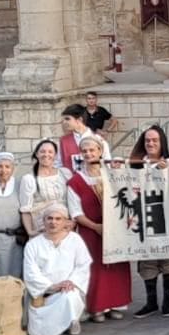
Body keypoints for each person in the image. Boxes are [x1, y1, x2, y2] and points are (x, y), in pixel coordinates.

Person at [129, 125, 169, 318]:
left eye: (155, 140)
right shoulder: (136, 163)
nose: (151, 144)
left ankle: (167, 302)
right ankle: (151, 302)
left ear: (161, 142)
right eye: (147, 140)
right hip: (145, 216)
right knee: (148, 260)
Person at [68, 136, 129, 323]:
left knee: (116, 265)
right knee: (95, 268)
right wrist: (96, 227)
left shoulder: (111, 174)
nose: (88, 154)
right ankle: (97, 307)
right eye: (84, 151)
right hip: (91, 230)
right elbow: (76, 212)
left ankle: (117, 303)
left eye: (92, 150)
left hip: (114, 229)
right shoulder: (75, 181)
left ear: (100, 151)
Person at [22, 203, 92, 335]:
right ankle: (61, 321)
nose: (53, 222)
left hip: (67, 290)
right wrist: (52, 286)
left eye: (58, 219)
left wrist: (71, 282)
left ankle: (72, 320)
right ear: (44, 221)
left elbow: (83, 265)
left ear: (65, 222)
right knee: (37, 334)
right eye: (49, 218)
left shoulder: (75, 240)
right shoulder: (33, 245)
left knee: (69, 297)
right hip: (44, 293)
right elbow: (31, 272)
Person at [19, 139, 71, 238]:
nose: (46, 154)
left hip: (65, 228)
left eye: (50, 152)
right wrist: (30, 232)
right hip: (41, 229)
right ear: (37, 154)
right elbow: (25, 210)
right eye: (42, 151)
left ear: (55, 156)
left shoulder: (65, 174)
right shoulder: (29, 179)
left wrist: (73, 221)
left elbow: (72, 201)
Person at [57, 105, 95, 173]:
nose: (64, 122)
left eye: (67, 119)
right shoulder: (63, 141)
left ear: (79, 120)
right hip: (70, 181)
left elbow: (106, 164)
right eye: (63, 119)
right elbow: (58, 164)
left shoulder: (98, 140)